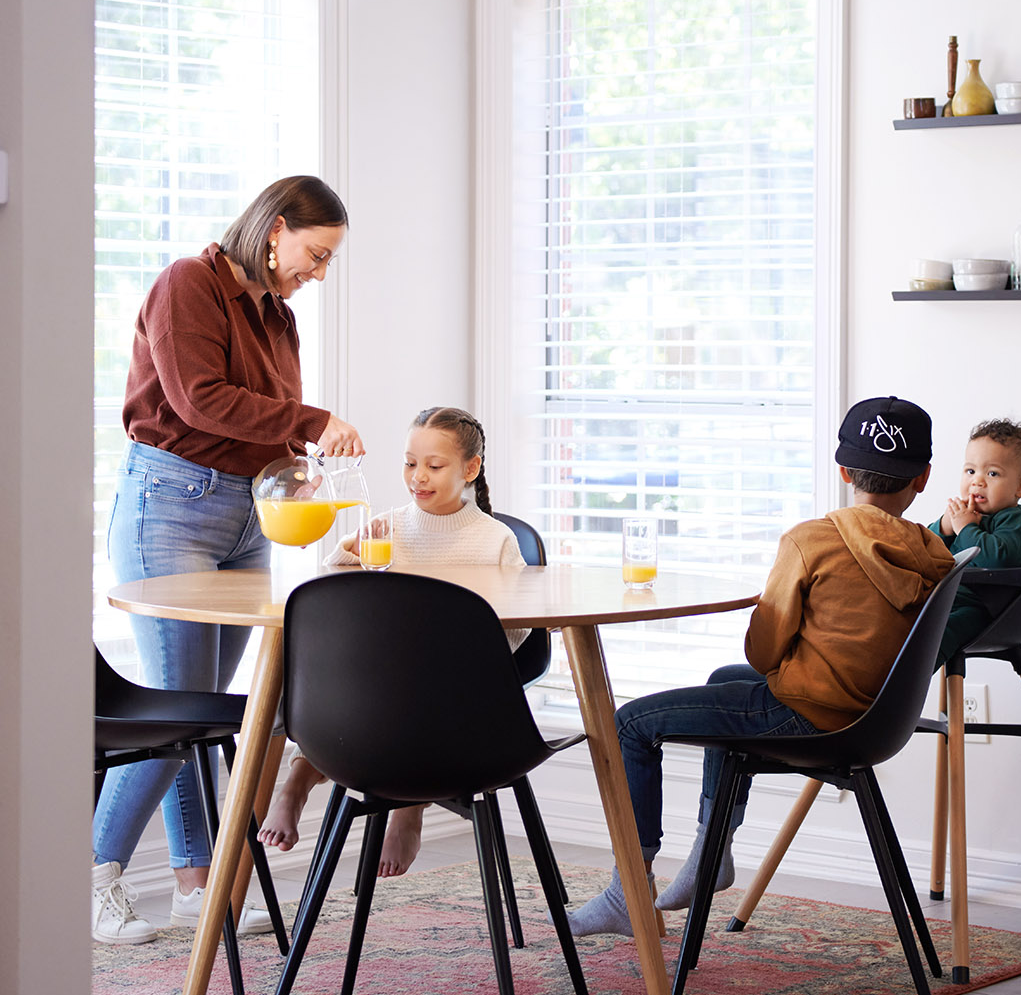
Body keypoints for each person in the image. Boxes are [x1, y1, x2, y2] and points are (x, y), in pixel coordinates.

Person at [567, 396, 955, 936]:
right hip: (875, 719)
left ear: (843, 471)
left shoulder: (811, 540)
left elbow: (763, 654)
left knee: (629, 722)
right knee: (725, 684)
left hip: (809, 715)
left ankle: (625, 889)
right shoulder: (934, 552)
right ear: (923, 477)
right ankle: (711, 850)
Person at [92, 176, 364, 945]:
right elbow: (197, 399)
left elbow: (266, 425)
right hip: (172, 504)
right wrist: (313, 423)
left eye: (326, 263)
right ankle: (91, 871)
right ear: (275, 229)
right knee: (181, 707)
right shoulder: (188, 284)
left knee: (207, 707)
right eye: (314, 255)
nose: (316, 275)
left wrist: (298, 467)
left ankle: (196, 883)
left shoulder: (277, 317)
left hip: (249, 514)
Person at [258, 405, 530, 879]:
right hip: (371, 693)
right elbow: (326, 607)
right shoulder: (387, 528)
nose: (418, 477)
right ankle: (298, 778)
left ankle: (409, 806)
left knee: (425, 671)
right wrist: (350, 554)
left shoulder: (497, 541)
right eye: (409, 463)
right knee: (322, 651)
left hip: (459, 696)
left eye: (434, 465)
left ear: (471, 468)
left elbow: (519, 629)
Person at [930, 417, 1021, 664]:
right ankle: (882, 677)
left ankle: (910, 678)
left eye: (992, 473)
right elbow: (926, 550)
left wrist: (966, 527)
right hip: (945, 601)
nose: (977, 481)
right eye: (970, 470)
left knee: (937, 633)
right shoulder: (964, 516)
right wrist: (945, 527)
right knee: (899, 619)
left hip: (987, 610)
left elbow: (998, 557)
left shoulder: (1015, 521)